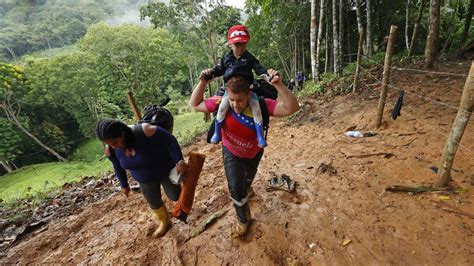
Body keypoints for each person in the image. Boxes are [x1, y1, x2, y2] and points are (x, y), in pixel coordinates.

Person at [189, 69, 299, 238]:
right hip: (231, 151)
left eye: (240, 100)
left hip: (254, 152)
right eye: (231, 100)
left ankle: (247, 187)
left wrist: (278, 85)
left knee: (248, 179)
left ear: (249, 94)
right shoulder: (221, 103)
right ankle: (243, 219)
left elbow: (292, 108)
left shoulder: (262, 105)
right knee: (235, 187)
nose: (235, 105)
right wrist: (203, 82)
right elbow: (195, 104)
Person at [95, 119, 187, 237]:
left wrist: (179, 161)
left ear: (122, 132)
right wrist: (124, 185)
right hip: (144, 179)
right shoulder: (111, 150)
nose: (115, 146)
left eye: (115, 142)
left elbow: (171, 140)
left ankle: (183, 210)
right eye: (110, 144)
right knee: (154, 201)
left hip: (165, 170)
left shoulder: (144, 131)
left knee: (175, 195)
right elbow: (117, 167)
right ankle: (164, 221)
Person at [202, 24, 271, 148]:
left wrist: (267, 75)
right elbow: (219, 69)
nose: (239, 47)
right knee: (222, 107)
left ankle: (260, 136)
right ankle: (217, 133)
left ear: (246, 43)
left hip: (247, 91)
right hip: (230, 91)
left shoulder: (249, 58)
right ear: (230, 44)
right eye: (236, 44)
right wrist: (210, 72)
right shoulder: (226, 58)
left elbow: (259, 68)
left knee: (256, 108)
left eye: (242, 44)